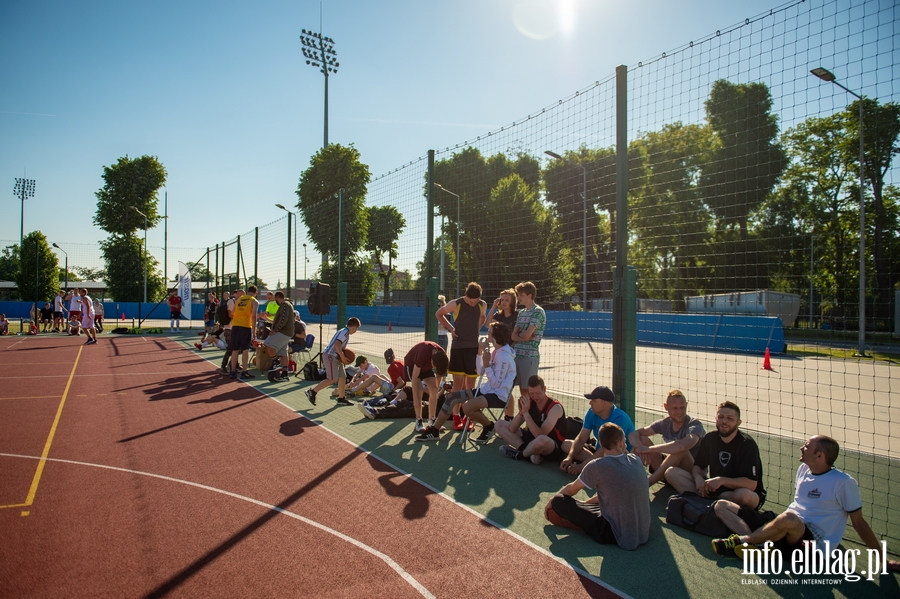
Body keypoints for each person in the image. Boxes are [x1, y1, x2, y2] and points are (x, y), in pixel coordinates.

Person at [711, 435, 900, 572]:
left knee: (790, 519)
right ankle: (763, 546)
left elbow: (859, 523)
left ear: (819, 456)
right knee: (722, 505)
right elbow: (798, 505)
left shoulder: (843, 482)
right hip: (787, 523)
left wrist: (883, 560)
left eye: (807, 446)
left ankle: (744, 541)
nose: (801, 448)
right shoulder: (803, 469)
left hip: (812, 543)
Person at [546, 423, 651, 551]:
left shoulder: (597, 465)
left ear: (601, 444)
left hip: (614, 534)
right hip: (643, 532)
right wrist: (585, 504)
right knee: (596, 503)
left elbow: (571, 489)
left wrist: (551, 502)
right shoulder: (636, 460)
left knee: (559, 501)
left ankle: (575, 523)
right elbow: (613, 493)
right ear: (621, 442)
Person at [415, 321, 516, 442]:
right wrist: (480, 352)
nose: (487, 334)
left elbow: (496, 384)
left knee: (467, 407)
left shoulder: (504, 357)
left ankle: (489, 426)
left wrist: (487, 365)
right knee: (452, 396)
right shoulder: (496, 352)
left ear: (496, 336)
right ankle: (434, 430)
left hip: (497, 395)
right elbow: (479, 371)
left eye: (489, 332)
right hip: (486, 390)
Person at [665, 401, 766, 511]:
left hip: (740, 492)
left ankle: (708, 502)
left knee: (743, 495)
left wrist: (721, 480)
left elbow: (751, 484)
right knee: (671, 473)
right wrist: (698, 478)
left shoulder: (747, 444)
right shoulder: (710, 438)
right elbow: (698, 466)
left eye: (730, 418)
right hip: (714, 489)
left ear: (738, 422)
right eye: (721, 417)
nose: (724, 421)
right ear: (716, 418)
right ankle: (712, 503)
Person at [435, 282, 487, 430]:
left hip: (473, 349)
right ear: (466, 296)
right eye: (471, 301)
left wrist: (477, 327)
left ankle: (467, 417)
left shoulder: (482, 304)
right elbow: (439, 314)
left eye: (475, 301)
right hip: (458, 348)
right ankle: (456, 416)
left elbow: (482, 317)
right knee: (457, 384)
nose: (473, 304)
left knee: (470, 385)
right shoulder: (455, 304)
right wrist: (451, 328)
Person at [629, 390, 705, 486]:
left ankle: (646, 485)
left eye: (682, 407)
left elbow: (681, 446)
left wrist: (648, 449)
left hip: (690, 473)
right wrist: (640, 447)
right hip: (669, 469)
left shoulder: (694, 426)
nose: (679, 412)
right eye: (675, 408)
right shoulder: (665, 423)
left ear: (686, 405)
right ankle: (626, 476)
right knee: (642, 439)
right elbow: (634, 434)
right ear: (666, 407)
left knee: (680, 450)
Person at [561, 386, 636, 476]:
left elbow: (607, 448)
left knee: (607, 457)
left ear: (604, 403)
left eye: (594, 400)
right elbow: (581, 438)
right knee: (566, 444)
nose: (590, 403)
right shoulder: (591, 412)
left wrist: (582, 466)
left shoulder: (620, 418)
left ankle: (597, 466)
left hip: (617, 455)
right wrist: (569, 457)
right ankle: (599, 466)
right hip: (599, 452)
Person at [494, 374, 567, 463]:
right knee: (499, 424)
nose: (535, 396)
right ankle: (529, 453)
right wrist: (521, 413)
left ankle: (519, 455)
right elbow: (512, 429)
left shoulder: (555, 407)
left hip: (550, 446)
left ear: (544, 389)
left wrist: (526, 414)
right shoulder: (530, 402)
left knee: (541, 440)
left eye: (537, 393)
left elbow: (540, 435)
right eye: (531, 393)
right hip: (532, 440)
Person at [305, 317, 361, 407]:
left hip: (335, 356)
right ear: (354, 327)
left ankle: (341, 398)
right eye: (356, 329)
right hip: (331, 356)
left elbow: (339, 346)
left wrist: (343, 355)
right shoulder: (345, 333)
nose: (356, 331)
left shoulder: (343, 330)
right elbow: (337, 345)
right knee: (332, 378)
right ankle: (312, 392)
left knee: (342, 376)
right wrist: (343, 357)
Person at [403, 340, 450, 432]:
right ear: (432, 362)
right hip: (413, 366)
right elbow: (415, 376)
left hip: (425, 367)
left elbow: (438, 376)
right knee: (419, 391)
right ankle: (418, 421)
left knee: (434, 389)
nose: (434, 370)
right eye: (434, 369)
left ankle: (432, 421)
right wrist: (416, 395)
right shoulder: (423, 352)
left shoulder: (442, 356)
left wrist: (435, 393)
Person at [511, 281, 545, 403]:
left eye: (521, 295)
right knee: (522, 391)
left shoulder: (538, 311)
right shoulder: (521, 313)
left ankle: (532, 418)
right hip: (517, 356)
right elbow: (514, 336)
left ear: (530, 295)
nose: (518, 298)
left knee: (530, 391)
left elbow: (526, 334)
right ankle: (525, 417)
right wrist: (523, 336)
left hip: (529, 357)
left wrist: (522, 335)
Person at [358, 382, 449, 421]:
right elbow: (437, 396)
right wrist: (444, 390)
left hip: (440, 410)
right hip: (437, 401)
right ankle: (381, 409)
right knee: (404, 398)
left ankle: (376, 413)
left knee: (405, 409)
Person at [228, 286, 259, 380]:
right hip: (245, 326)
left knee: (235, 350)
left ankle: (232, 372)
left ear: (248, 291)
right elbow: (253, 316)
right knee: (245, 349)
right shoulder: (254, 301)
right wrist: (254, 331)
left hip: (235, 326)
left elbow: (233, 312)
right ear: (255, 292)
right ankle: (244, 372)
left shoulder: (239, 299)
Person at [263, 291, 294, 382]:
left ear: (277, 298)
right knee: (283, 353)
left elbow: (283, 318)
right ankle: (285, 374)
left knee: (267, 343)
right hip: (287, 332)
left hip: (284, 331)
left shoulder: (284, 304)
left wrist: (275, 330)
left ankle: (276, 362)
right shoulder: (286, 305)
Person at [217, 291, 234, 374]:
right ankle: (223, 366)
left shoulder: (236, 303)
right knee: (230, 348)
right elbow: (230, 314)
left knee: (238, 348)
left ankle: (233, 363)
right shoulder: (231, 302)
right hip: (229, 328)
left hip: (235, 328)